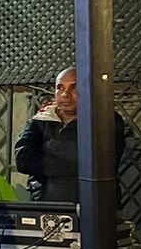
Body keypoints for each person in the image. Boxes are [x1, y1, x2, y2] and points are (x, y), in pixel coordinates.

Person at [14, 65, 127, 203]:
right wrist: (76, 166)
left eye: (74, 87)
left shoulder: (105, 120)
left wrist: (45, 163)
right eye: (60, 87)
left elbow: (99, 164)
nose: (65, 94)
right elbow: (23, 160)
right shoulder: (41, 120)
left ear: (89, 89)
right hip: (45, 204)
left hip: (94, 204)